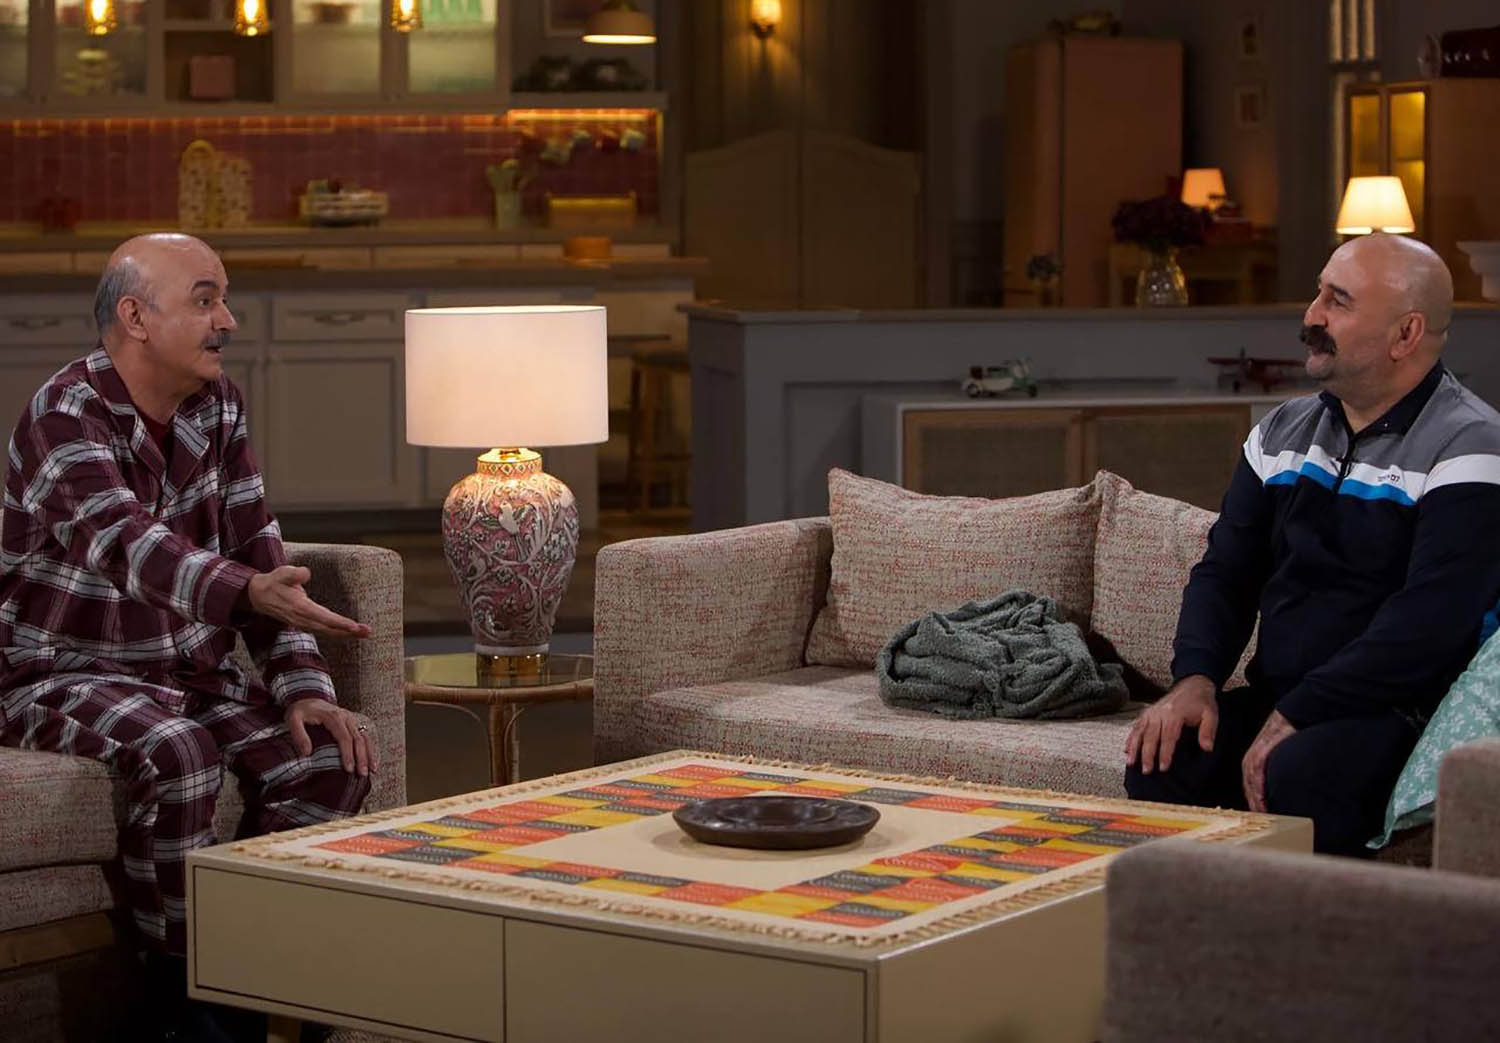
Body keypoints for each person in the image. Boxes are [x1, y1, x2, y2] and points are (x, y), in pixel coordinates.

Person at [0, 234, 377, 1041]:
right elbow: (128, 544)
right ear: (136, 316)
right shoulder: (63, 414)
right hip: (59, 674)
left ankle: (262, 975)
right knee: (179, 753)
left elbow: (260, 552)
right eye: (206, 300)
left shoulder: (217, 406)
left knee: (331, 756)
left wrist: (304, 687)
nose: (228, 320)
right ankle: (185, 1005)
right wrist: (243, 589)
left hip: (185, 675)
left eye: (224, 299)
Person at [1123, 232, 1500, 857]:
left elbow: (1430, 621)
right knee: (1161, 759)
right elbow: (1226, 573)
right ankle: (1195, 913)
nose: (1311, 315)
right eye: (1319, 293)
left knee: (1298, 775)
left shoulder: (1471, 445)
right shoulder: (1281, 432)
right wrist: (1194, 680)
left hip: (1395, 708)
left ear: (1405, 335)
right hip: (1284, 695)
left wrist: (1301, 711)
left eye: (1338, 301)